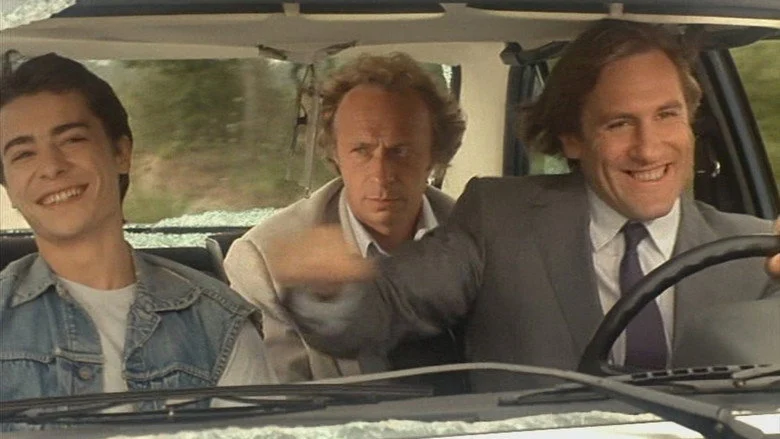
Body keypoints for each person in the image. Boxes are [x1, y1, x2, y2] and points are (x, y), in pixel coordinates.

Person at [266, 20, 780, 391]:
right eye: (619, 123)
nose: (649, 149)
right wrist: (328, 286)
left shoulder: (755, 252)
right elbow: (385, 308)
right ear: (572, 138)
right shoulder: (498, 219)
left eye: (667, 115)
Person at [0, 54, 276, 414]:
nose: (51, 167)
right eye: (23, 154)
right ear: (8, 188)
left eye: (71, 140)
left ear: (121, 153)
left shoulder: (217, 324)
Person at [224, 52, 466, 382]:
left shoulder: (479, 237)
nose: (382, 175)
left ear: (434, 155)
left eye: (401, 151)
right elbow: (279, 398)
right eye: (362, 151)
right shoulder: (263, 260)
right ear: (335, 154)